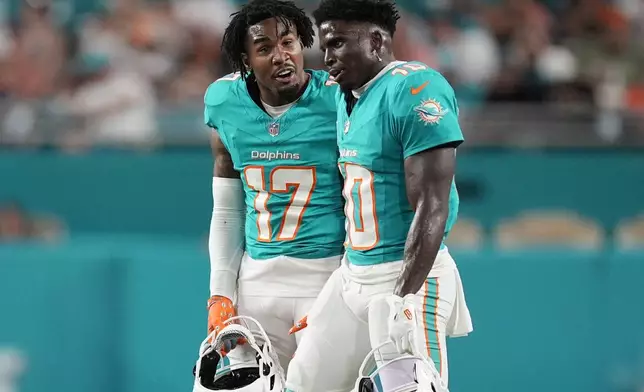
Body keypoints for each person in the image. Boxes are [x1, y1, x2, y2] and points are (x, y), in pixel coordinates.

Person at [285, 0, 473, 391]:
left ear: (375, 40)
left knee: (415, 387)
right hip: (353, 275)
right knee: (304, 382)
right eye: (324, 46)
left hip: (406, 277)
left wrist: (403, 297)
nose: (327, 56)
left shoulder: (415, 88)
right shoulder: (344, 94)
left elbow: (433, 205)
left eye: (337, 43)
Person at [202, 0, 344, 373]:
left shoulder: (338, 99)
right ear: (247, 61)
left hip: (325, 274)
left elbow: (363, 199)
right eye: (265, 48)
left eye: (288, 43)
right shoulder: (224, 102)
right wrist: (220, 291)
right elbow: (229, 209)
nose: (281, 56)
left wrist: (346, 289)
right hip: (257, 282)